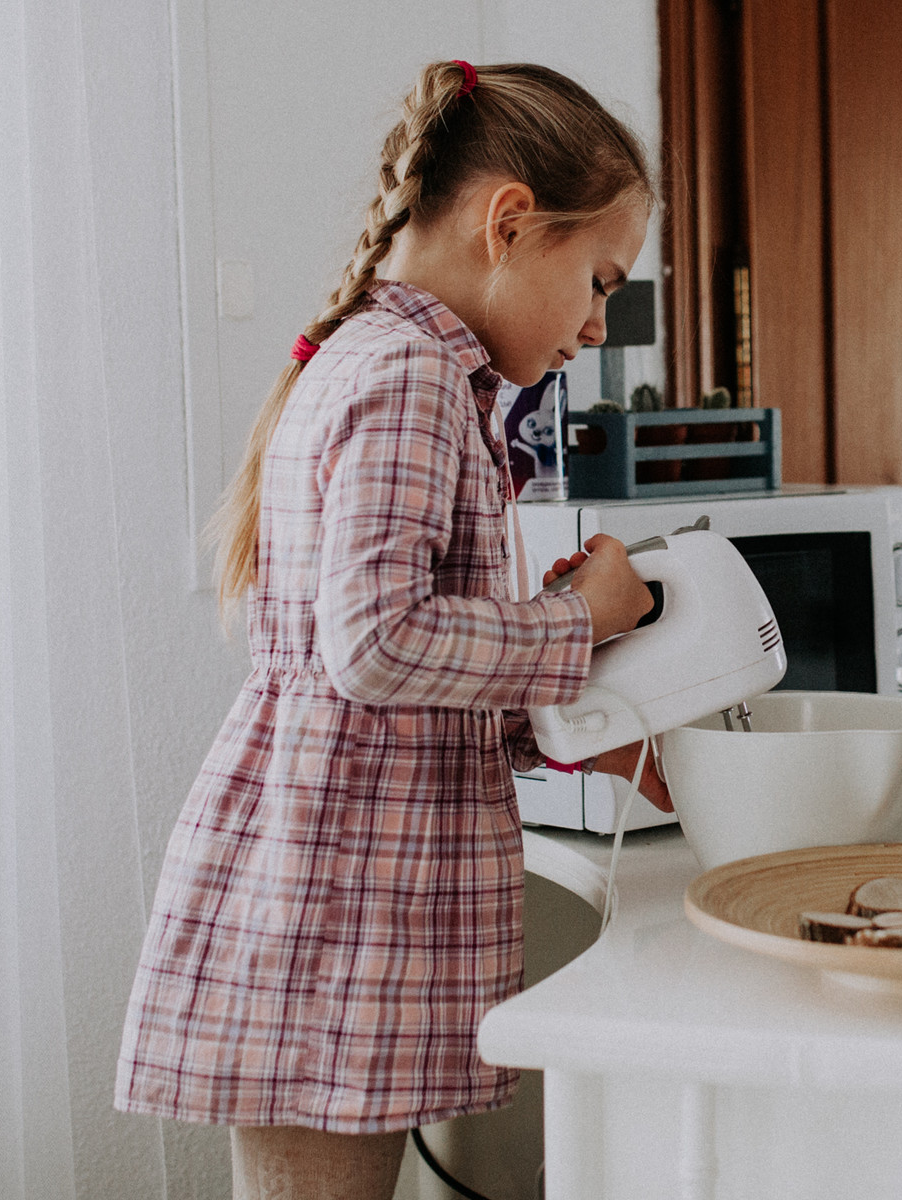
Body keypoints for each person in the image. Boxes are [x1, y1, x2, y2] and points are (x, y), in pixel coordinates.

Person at [115, 61, 667, 1199]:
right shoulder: (410, 376)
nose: (600, 324)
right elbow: (376, 647)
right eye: (600, 280)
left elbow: (399, 660)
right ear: (509, 222)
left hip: (335, 897)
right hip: (330, 919)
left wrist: (555, 712)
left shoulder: (408, 370)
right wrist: (579, 615)